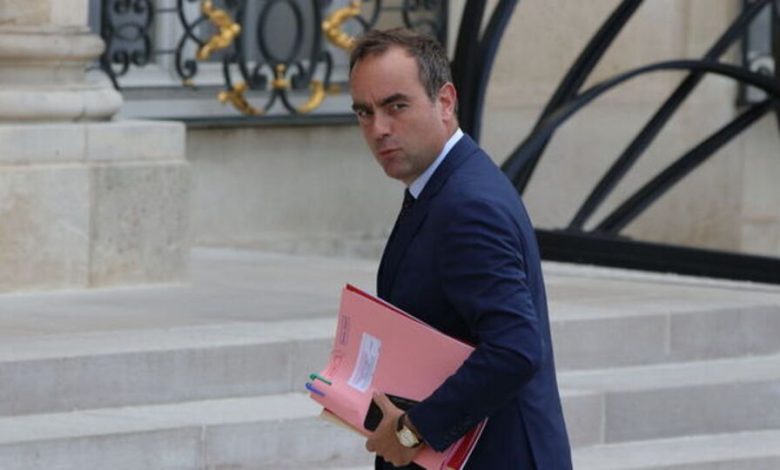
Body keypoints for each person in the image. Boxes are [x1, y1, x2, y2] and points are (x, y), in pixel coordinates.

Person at [349, 28, 572, 469]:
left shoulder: (467, 204)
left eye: (396, 106)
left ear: (445, 102)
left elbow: (515, 349)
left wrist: (414, 430)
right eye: (364, 112)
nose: (379, 129)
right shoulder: (444, 185)